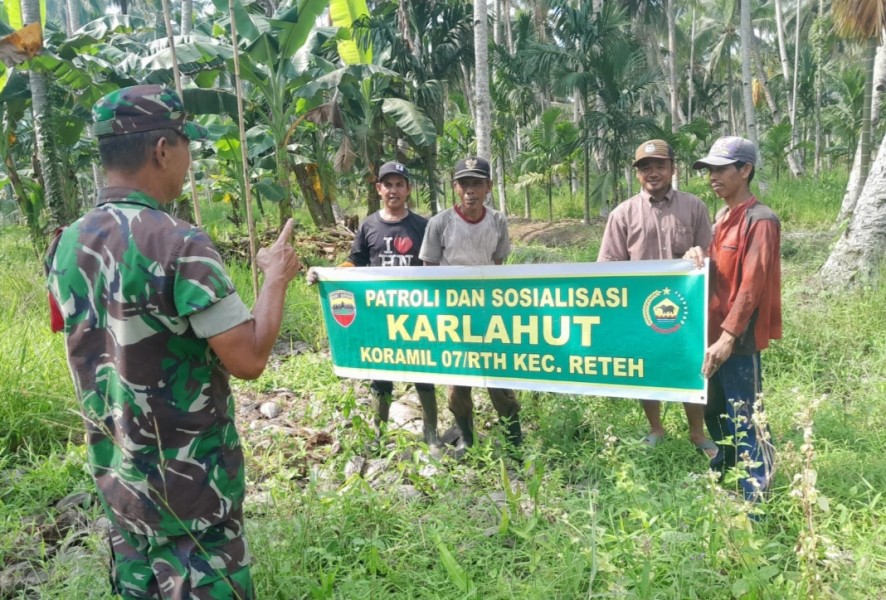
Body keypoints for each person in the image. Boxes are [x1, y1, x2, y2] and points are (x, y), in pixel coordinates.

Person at [45, 85, 301, 599]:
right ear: (163, 149)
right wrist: (275, 278)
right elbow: (249, 358)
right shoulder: (182, 244)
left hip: (121, 486)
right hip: (192, 493)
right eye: (187, 145)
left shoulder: (65, 243)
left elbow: (89, 334)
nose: (189, 160)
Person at [308, 161, 441, 454]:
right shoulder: (369, 225)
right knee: (381, 373)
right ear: (379, 189)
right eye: (388, 185)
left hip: (416, 314)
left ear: (408, 189)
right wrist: (326, 274)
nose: (393, 190)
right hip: (380, 315)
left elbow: (433, 266)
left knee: (424, 371)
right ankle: (378, 434)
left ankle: (431, 434)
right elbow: (355, 261)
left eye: (399, 184)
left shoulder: (422, 226)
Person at [597, 139, 717, 459]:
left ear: (672, 169)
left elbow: (711, 253)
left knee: (690, 365)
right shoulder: (623, 214)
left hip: (686, 307)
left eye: (660, 166)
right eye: (645, 167)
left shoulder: (694, 207)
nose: (653, 172)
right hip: (640, 309)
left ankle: (697, 433)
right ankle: (656, 428)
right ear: (637, 174)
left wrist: (700, 254)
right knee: (646, 367)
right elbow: (608, 265)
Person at [685, 136, 781, 502]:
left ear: (745, 170)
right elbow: (718, 272)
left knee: (745, 414)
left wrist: (727, 338)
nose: (712, 176)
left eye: (721, 169)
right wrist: (696, 255)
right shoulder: (722, 218)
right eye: (709, 170)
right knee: (713, 408)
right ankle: (726, 466)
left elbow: (752, 286)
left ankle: (756, 495)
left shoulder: (761, 220)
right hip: (710, 333)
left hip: (737, 341)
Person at [418, 156, 521, 456]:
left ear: (488, 186)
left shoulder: (497, 221)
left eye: (477, 183)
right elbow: (429, 273)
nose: (470, 190)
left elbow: (498, 267)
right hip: (453, 314)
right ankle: (466, 438)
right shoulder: (439, 223)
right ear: (455, 187)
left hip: (488, 314)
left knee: (498, 376)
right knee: (458, 380)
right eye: (464, 183)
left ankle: (514, 439)